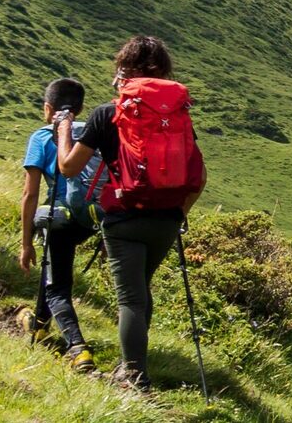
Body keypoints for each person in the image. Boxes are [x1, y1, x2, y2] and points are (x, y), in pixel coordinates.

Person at [55, 35, 206, 392]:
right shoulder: (178, 117)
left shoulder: (108, 114)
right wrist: (179, 214)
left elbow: (68, 168)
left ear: (122, 70)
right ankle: (133, 366)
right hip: (167, 219)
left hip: (124, 218)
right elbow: (199, 177)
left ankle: (134, 377)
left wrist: (64, 131)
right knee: (141, 292)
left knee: (131, 300)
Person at [19, 77, 99, 373]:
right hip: (91, 220)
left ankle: (78, 349)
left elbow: (30, 194)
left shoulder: (42, 137)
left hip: (61, 220)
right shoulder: (93, 135)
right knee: (55, 263)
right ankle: (39, 325)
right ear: (79, 108)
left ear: (47, 108)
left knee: (58, 289)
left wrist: (26, 243)